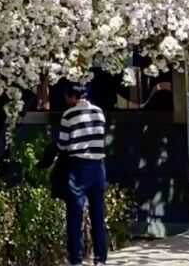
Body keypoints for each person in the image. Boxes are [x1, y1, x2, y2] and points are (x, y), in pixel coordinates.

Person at [58, 83, 109, 266]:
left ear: (72, 96)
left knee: (75, 215)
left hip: (78, 167)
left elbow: (62, 144)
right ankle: (100, 257)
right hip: (98, 167)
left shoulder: (69, 115)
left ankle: (76, 259)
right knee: (97, 215)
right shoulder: (99, 112)